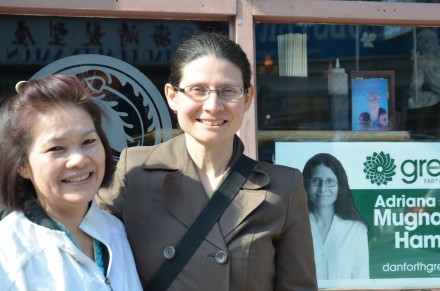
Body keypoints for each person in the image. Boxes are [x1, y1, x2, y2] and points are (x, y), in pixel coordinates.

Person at [97, 32, 317, 290]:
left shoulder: (284, 187)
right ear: (172, 96)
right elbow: (93, 261)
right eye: (198, 90)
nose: (213, 105)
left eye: (228, 91)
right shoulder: (133, 172)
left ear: (247, 98)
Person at [0, 75, 142, 290]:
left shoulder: (117, 231)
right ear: (23, 166)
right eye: (56, 148)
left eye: (88, 142)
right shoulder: (8, 254)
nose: (79, 160)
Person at [302, 153, 369, 280]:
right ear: (306, 184)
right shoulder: (295, 225)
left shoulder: (355, 229)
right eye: (316, 181)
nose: (323, 189)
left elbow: (362, 280)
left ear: (340, 185)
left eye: (330, 182)